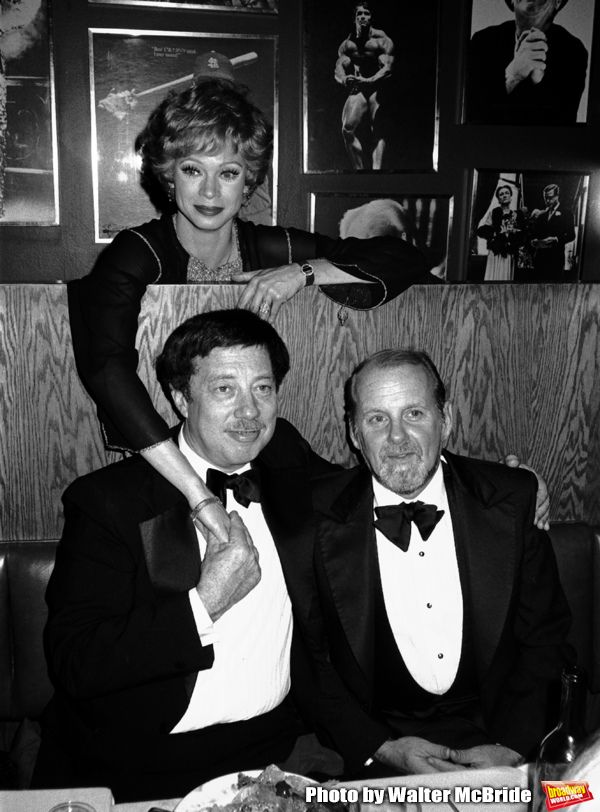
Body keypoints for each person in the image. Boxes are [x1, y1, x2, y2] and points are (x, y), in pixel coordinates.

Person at [68, 76, 431, 547]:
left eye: (229, 173)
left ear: (248, 180)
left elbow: (405, 258)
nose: (210, 191)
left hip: (264, 460)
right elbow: (105, 368)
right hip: (160, 465)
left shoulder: (270, 246)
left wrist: (304, 272)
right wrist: (196, 492)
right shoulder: (136, 251)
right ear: (170, 174)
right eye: (193, 170)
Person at [34, 310, 342, 802]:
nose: (249, 411)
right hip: (139, 765)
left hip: (275, 755)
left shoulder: (287, 455)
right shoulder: (109, 503)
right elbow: (77, 662)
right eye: (225, 389)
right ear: (180, 399)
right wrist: (205, 603)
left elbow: (362, 497)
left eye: (262, 388)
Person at [306, 349, 572, 776]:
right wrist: (381, 748)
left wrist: (511, 747)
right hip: (380, 752)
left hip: (503, 742)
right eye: (376, 419)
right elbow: (311, 663)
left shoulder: (511, 498)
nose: (397, 438)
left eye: (414, 413)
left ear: (445, 420)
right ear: (355, 434)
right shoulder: (313, 515)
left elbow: (546, 640)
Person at [465, 0, 588, 124]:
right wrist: (512, 76)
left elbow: (563, 123)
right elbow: (473, 116)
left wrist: (538, 82)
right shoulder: (483, 42)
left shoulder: (573, 50)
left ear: (558, 2)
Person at [334, 3, 394, 170]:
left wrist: (369, 81)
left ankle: (377, 173)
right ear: (354, 18)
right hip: (359, 88)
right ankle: (359, 172)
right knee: (347, 129)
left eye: (366, 13)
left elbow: (388, 69)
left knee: (379, 130)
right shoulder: (347, 45)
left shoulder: (382, 41)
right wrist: (344, 79)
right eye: (359, 14)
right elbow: (338, 67)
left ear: (371, 17)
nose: (362, 17)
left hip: (377, 88)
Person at [476, 184, 527, 281]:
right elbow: (482, 230)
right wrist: (497, 232)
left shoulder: (516, 215)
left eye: (507, 193)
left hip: (509, 254)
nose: (504, 196)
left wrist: (513, 232)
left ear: (511, 197)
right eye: (501, 194)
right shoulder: (494, 213)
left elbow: (522, 235)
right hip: (496, 253)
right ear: (499, 199)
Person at [528, 183, 576, 281]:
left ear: (557, 196)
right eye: (545, 198)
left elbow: (571, 235)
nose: (547, 201)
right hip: (540, 259)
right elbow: (534, 233)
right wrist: (534, 241)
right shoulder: (542, 215)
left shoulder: (566, 213)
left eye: (550, 198)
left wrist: (556, 239)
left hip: (556, 259)